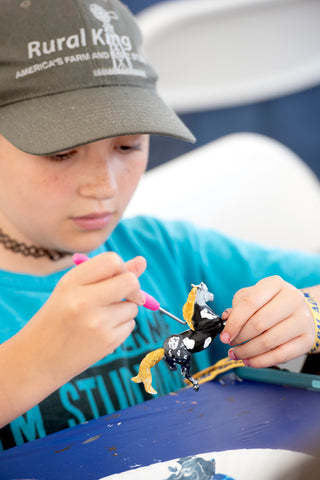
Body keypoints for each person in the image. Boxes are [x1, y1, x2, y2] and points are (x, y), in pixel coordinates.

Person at [0, 0, 319, 451]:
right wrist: (30, 363)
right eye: (61, 153)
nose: (104, 186)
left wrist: (309, 314)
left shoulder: (168, 251)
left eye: (128, 146)